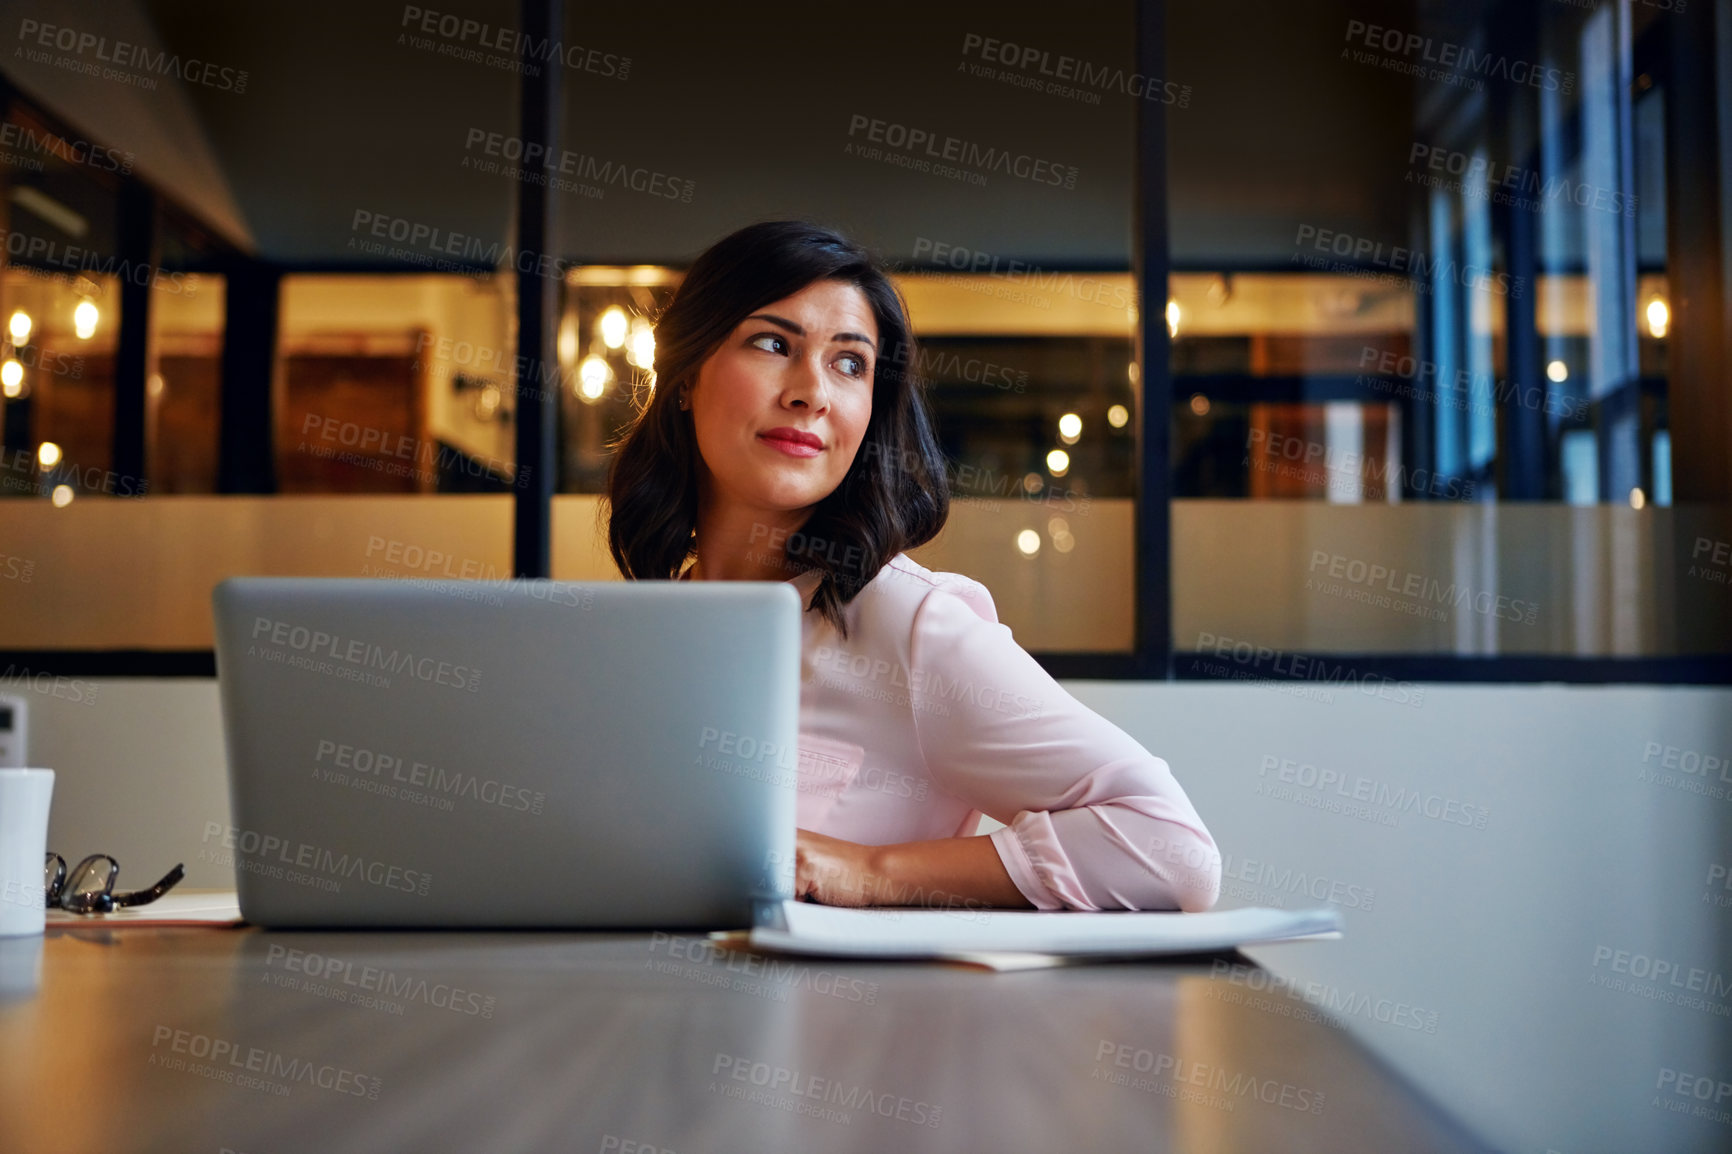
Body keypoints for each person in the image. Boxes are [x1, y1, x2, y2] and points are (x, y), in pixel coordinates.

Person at [606, 221, 1220, 913]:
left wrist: (874, 871)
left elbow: (1174, 852)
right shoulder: (646, 631)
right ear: (686, 375)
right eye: (773, 344)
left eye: (849, 363)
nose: (812, 392)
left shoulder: (907, 624)